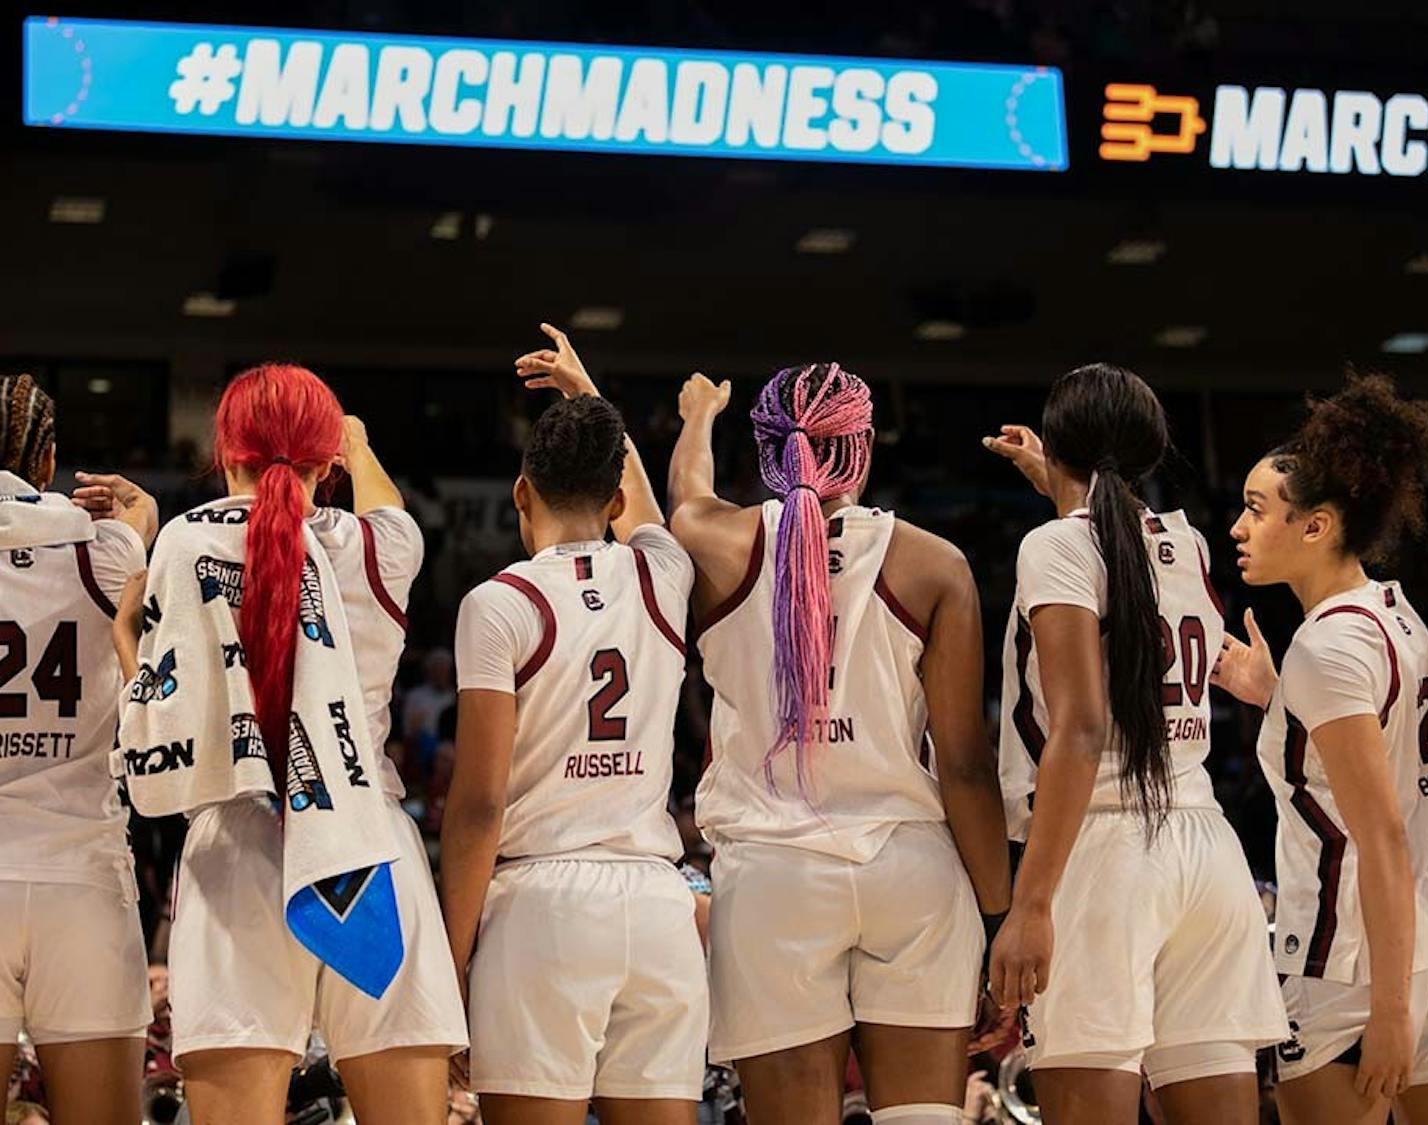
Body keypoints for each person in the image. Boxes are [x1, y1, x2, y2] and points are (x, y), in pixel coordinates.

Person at [113, 364, 467, 1125]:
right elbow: (389, 508)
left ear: (225, 451)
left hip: (236, 857)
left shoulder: (181, 541)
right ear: (328, 459)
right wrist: (357, 444)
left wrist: (124, 641)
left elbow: (160, 746)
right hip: (366, 844)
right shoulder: (383, 546)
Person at [668, 364, 1012, 1125]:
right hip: (913, 872)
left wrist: (698, 416)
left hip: (775, 875)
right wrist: (997, 917)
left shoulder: (717, 542)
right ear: (862, 449)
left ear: (766, 452)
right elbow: (963, 765)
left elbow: (685, 497)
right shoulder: (935, 562)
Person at [984, 363, 1287, 1125]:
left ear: (1060, 447)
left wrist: (1030, 903)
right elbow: (1112, 546)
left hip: (1104, 850)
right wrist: (1054, 477)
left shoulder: (1054, 546)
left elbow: (1082, 729)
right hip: (1207, 851)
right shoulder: (1187, 546)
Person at [1213, 374, 1428, 1125]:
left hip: (1356, 956)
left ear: (1316, 526)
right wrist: (1279, 696)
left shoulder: (1325, 648)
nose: (1237, 529)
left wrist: (1392, 1008)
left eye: (1255, 509)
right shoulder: (1392, 613)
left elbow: (1380, 835)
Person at [442, 325, 708, 1125]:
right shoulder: (665, 574)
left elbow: (479, 805)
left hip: (543, 906)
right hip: (659, 906)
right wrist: (585, 389)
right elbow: (648, 505)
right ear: (618, 500)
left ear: (521, 494)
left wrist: (451, 960)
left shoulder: (497, 603)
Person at [0, 373, 159, 1125]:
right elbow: (139, 524)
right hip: (84, 880)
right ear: (50, 458)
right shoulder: (104, 549)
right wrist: (141, 516)